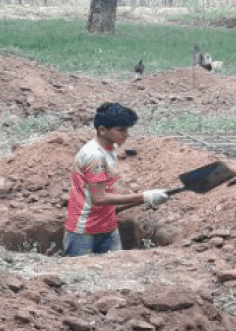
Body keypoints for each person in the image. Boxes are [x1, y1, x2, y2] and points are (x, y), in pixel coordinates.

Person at [63, 102, 170, 256]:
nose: (126, 134)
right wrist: (145, 196)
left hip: (108, 226)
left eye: (127, 129)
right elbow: (99, 198)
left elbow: (105, 194)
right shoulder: (95, 156)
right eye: (121, 129)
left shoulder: (109, 148)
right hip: (84, 231)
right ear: (102, 130)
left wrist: (147, 200)